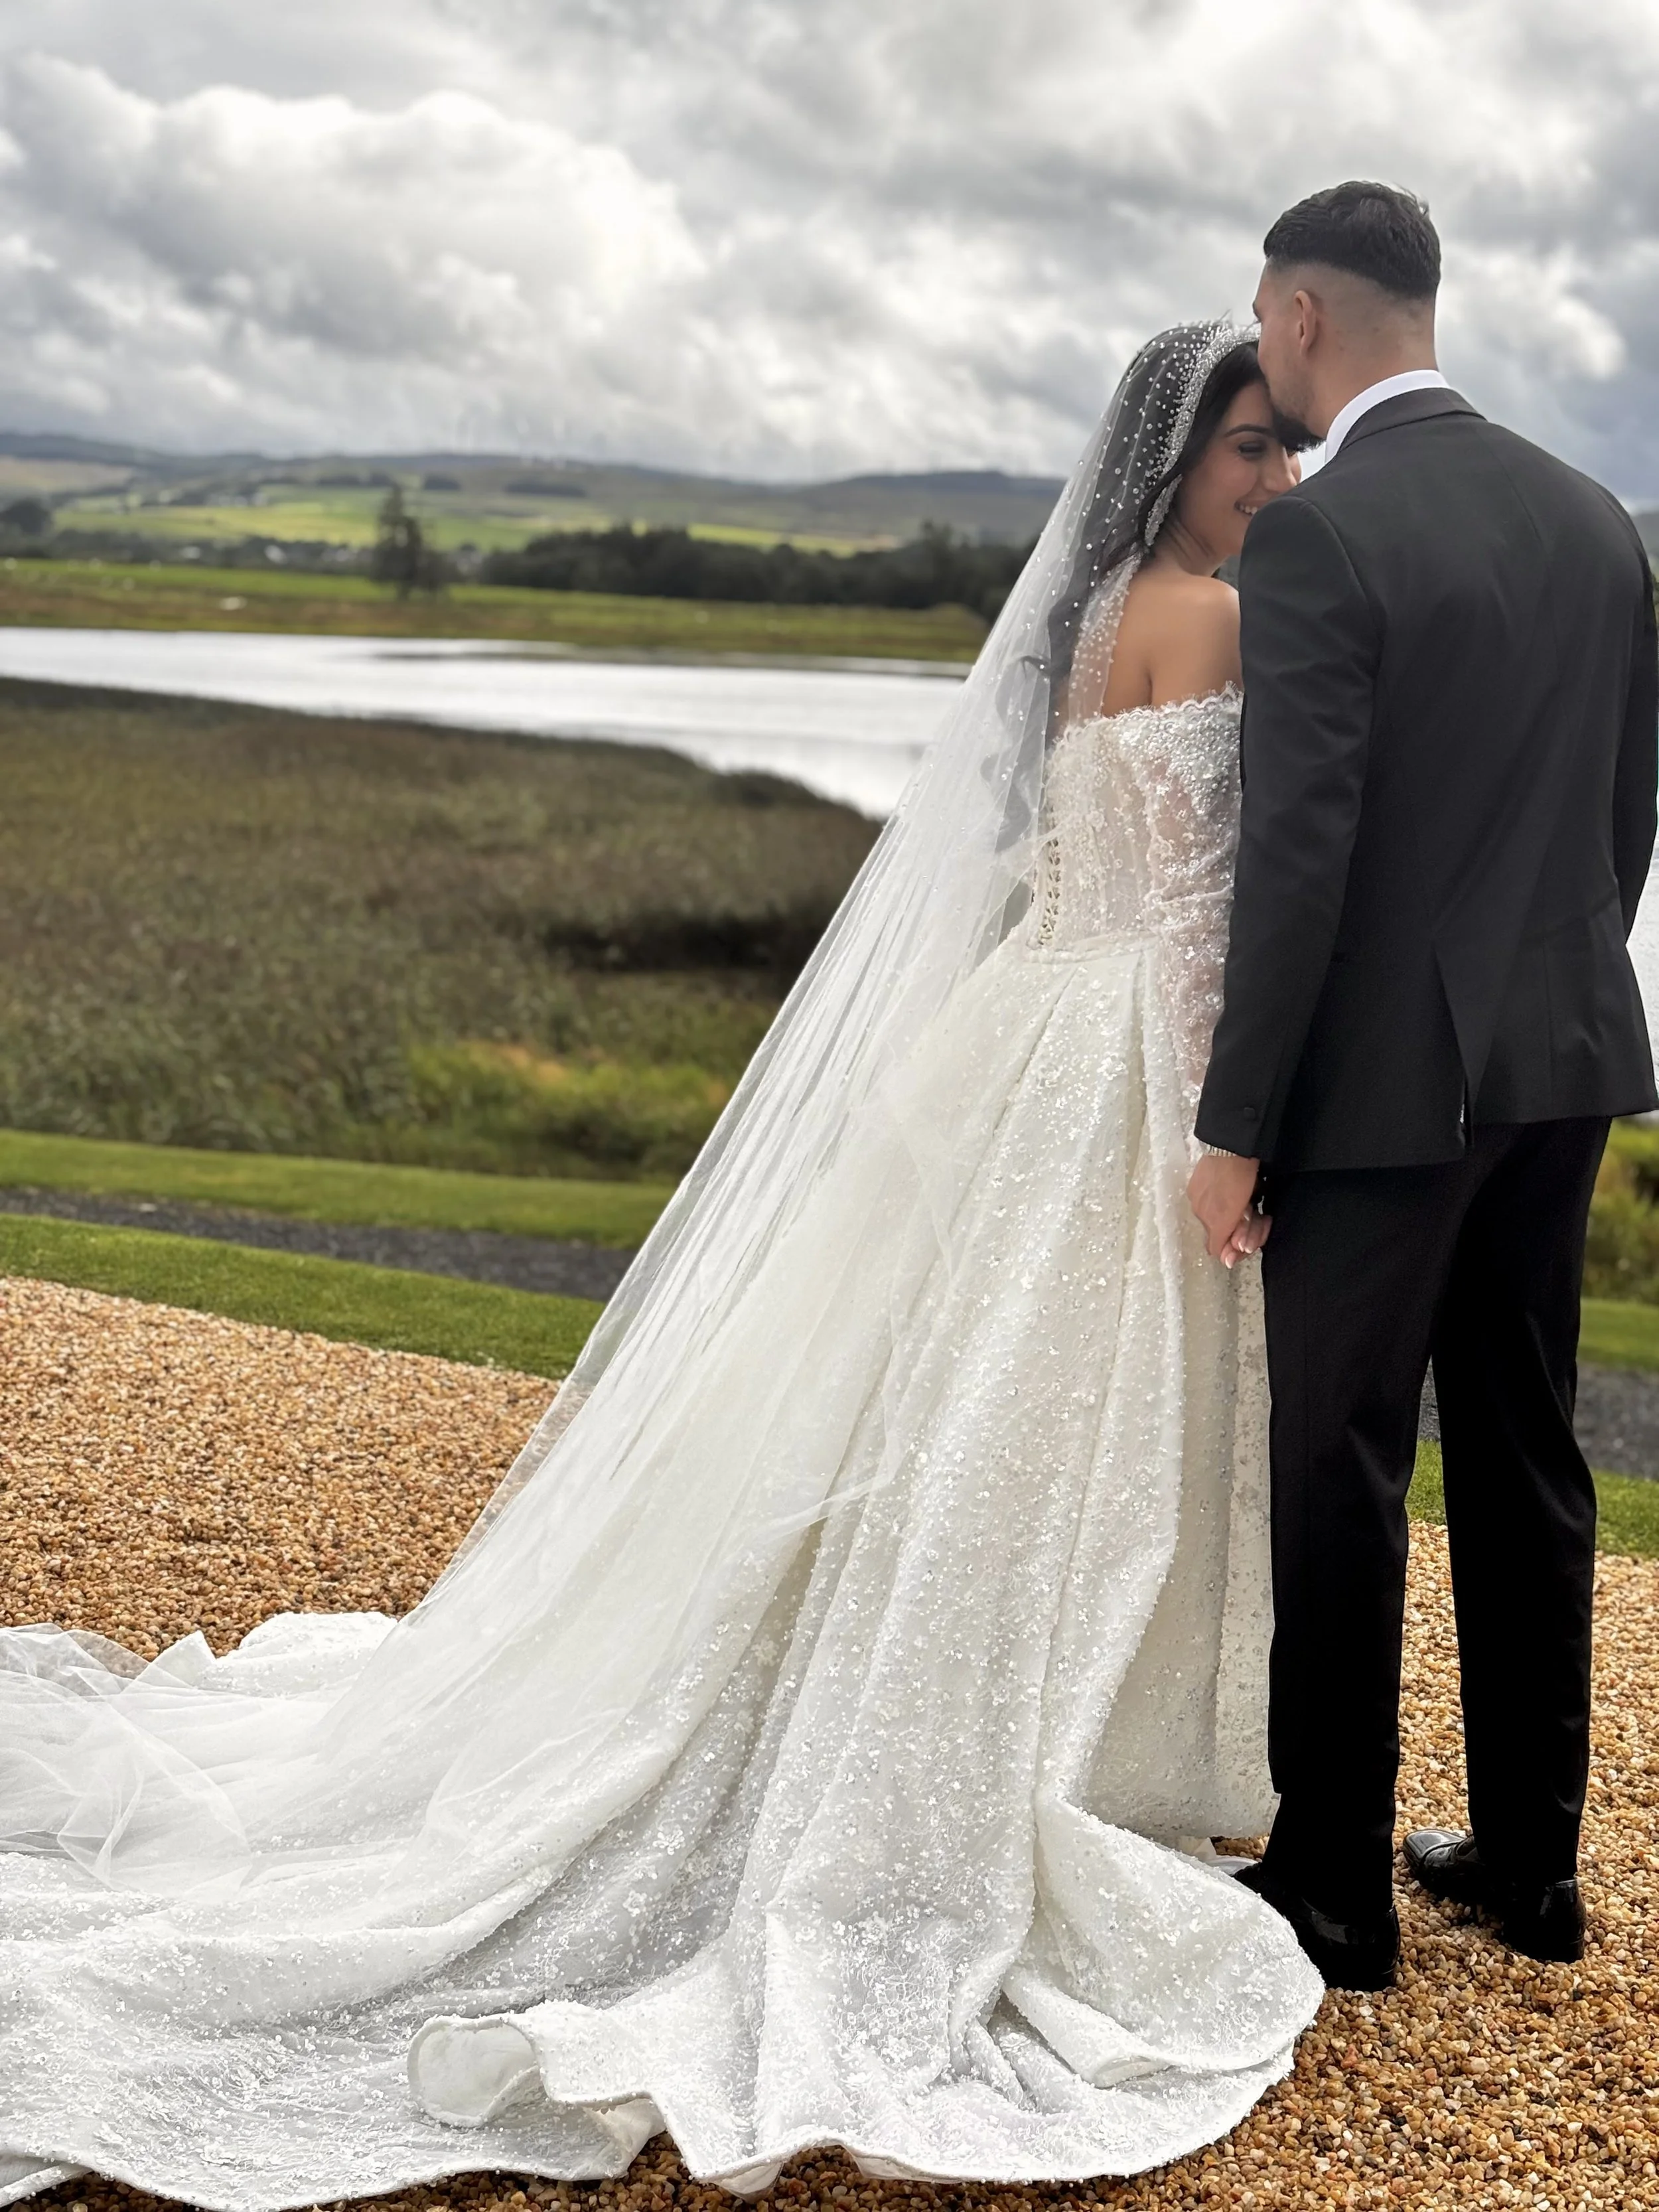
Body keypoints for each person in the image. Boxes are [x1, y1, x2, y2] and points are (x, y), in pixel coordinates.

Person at [0, 324, 1323, 2205]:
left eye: (1282, 454)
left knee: (968, 1411)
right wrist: (1220, 1135)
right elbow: (1194, 919)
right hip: (1113, 1058)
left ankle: (981, 1735)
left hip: (1028, 1025)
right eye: (1251, 451)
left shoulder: (1088, 604)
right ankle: (1007, 1772)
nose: (1274, 483)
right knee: (1053, 1421)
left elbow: (1058, 860)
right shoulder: (1202, 612)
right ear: (1175, 457)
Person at [1189, 181, 1659, 1992]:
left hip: (1385, 1092)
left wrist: (1236, 1126)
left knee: (1344, 1464)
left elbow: (1291, 867)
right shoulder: (1591, 520)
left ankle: (1331, 1885)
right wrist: (1546, 998)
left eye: (1262, 319)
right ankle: (1531, 1866)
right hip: (1559, 1063)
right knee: (1529, 1451)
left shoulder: (1322, 536)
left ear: (1301, 318)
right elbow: (1620, 824)